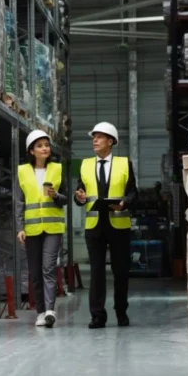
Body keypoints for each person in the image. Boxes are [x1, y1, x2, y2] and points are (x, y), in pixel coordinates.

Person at [74, 122, 138, 329]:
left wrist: (124, 203)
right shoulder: (84, 165)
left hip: (118, 225)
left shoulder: (124, 163)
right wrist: (80, 197)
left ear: (111, 141)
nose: (95, 140)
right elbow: (80, 195)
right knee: (96, 272)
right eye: (94, 137)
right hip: (94, 226)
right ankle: (97, 316)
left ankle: (121, 312)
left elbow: (132, 192)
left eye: (100, 137)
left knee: (121, 272)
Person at [16, 130, 68, 328]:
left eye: (46, 145)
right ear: (31, 151)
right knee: (35, 271)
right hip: (31, 229)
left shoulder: (57, 169)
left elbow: (65, 199)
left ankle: (50, 311)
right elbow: (19, 202)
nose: (44, 148)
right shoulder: (22, 172)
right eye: (39, 146)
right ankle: (39, 311)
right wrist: (20, 227)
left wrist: (56, 196)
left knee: (48, 268)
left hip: (53, 227)